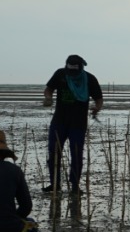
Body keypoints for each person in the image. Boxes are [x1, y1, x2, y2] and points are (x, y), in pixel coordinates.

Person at [43, 55, 103, 194]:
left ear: (81, 68)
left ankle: (75, 186)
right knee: (53, 152)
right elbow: (48, 89)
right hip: (59, 122)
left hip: (78, 124)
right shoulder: (60, 74)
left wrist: (96, 108)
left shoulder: (90, 79)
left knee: (76, 154)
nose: (72, 74)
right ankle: (55, 184)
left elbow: (99, 99)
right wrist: (48, 97)